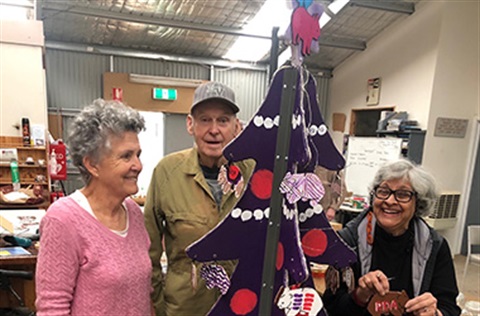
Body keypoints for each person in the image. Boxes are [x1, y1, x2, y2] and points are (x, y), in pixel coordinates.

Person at [144, 82, 255, 315]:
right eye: (205, 119)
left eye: (223, 120)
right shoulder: (167, 172)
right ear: (190, 125)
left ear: (236, 127)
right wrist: (158, 303)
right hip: (184, 307)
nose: (214, 130)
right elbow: (149, 249)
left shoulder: (254, 173)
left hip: (241, 305)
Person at [35, 99, 152, 315]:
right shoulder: (63, 220)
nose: (138, 165)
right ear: (92, 164)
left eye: (138, 155)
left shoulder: (133, 213)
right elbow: (52, 308)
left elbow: (143, 295)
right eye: (126, 156)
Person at [323, 159, 461, 316]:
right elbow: (331, 309)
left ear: (418, 203)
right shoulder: (348, 243)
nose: (389, 201)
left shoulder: (434, 246)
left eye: (403, 195)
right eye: (383, 191)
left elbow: (450, 308)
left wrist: (436, 313)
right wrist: (359, 296)